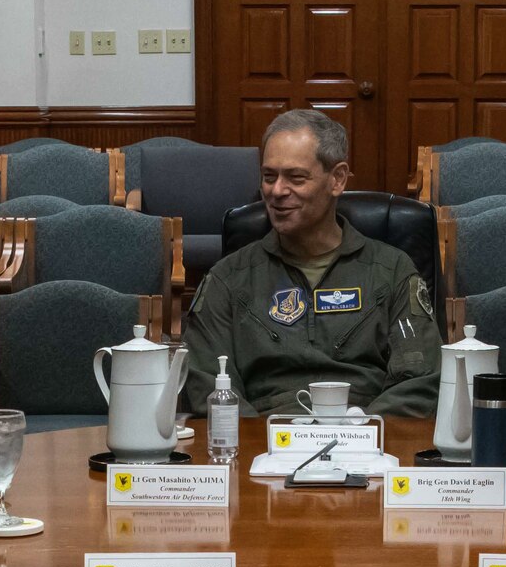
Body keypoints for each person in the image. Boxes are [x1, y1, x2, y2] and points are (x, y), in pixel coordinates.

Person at [184, 109, 439, 417]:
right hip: (262, 444)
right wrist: (258, 443)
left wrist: (362, 436)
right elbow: (206, 382)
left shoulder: (392, 270)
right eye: (269, 177)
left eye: (296, 177)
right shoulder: (228, 278)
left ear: (338, 179)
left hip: (363, 441)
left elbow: (420, 380)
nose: (277, 191)